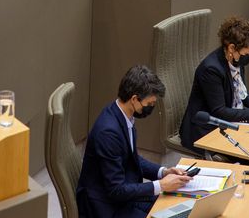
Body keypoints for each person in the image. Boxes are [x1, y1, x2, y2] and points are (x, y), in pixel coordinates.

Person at [76, 66, 192, 218]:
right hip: (106, 207)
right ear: (135, 99)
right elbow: (115, 190)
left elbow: (132, 158)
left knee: (176, 204)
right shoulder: (108, 133)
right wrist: (161, 185)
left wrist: (163, 172)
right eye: (150, 104)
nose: (151, 108)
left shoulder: (123, 116)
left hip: (123, 195)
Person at [180, 17, 249, 153]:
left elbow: (242, 94)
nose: (248, 57)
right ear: (232, 47)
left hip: (231, 123)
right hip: (206, 130)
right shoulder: (211, 69)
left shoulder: (236, 60)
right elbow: (219, 111)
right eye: (246, 53)